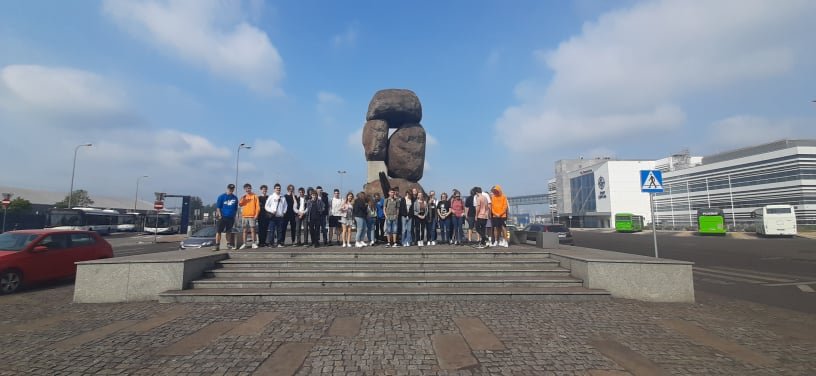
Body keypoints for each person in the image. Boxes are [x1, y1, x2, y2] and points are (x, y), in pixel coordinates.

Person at [214, 183, 238, 251]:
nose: (231, 190)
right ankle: (217, 245)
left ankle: (228, 244)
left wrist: (234, 216)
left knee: (228, 231)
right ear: (227, 189)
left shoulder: (235, 198)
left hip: (231, 217)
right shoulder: (221, 197)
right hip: (222, 217)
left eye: (232, 189)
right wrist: (220, 215)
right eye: (230, 189)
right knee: (219, 231)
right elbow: (218, 207)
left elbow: (235, 208)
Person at [238, 183, 260, 249]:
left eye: (249, 188)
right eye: (246, 188)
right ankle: (244, 243)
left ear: (251, 188)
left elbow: (258, 207)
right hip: (244, 216)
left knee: (253, 230)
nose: (248, 189)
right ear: (244, 189)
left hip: (252, 216)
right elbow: (240, 204)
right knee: (244, 230)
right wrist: (243, 199)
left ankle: (254, 243)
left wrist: (256, 214)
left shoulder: (255, 196)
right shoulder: (243, 196)